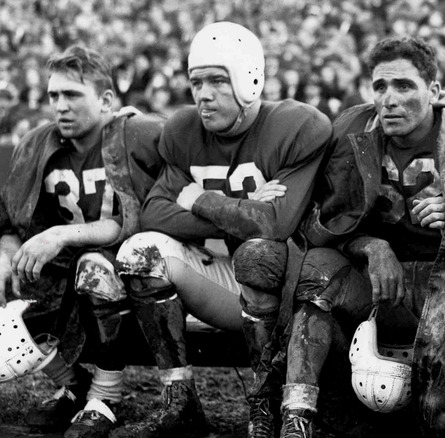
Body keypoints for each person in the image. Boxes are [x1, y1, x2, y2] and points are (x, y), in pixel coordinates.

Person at [240, 35, 445, 438]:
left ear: (433, 90)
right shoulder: (352, 132)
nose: (389, 99)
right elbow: (321, 222)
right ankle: (297, 416)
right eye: (380, 87)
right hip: (381, 286)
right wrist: (371, 246)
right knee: (316, 270)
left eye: (404, 86)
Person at [112, 21, 332, 438]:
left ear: (249, 78)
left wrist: (199, 199)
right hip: (224, 281)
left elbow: (276, 225)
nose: (203, 94)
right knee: (140, 252)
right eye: (196, 82)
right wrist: (245, 210)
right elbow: (153, 214)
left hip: (289, 292)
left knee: (258, 253)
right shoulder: (182, 130)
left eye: (217, 81)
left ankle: (265, 403)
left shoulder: (295, 125)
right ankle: (179, 400)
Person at [0, 45, 164, 437]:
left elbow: (130, 219)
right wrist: (7, 256)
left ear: (106, 99)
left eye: (72, 94)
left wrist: (59, 234)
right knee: (16, 278)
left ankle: (107, 396)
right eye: (54, 95)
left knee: (95, 268)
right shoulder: (38, 143)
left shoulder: (136, 135)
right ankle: (74, 387)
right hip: (62, 271)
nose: (59, 105)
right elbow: (8, 220)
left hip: (130, 267)